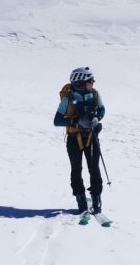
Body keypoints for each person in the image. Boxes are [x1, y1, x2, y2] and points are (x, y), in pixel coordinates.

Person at [54, 66, 106, 214]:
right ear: (81, 82)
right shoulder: (68, 98)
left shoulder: (95, 94)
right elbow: (57, 120)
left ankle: (96, 200)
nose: (93, 83)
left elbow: (102, 109)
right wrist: (76, 122)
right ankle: (81, 199)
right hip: (73, 140)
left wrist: (97, 118)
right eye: (90, 80)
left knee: (94, 170)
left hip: (91, 138)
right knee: (76, 170)